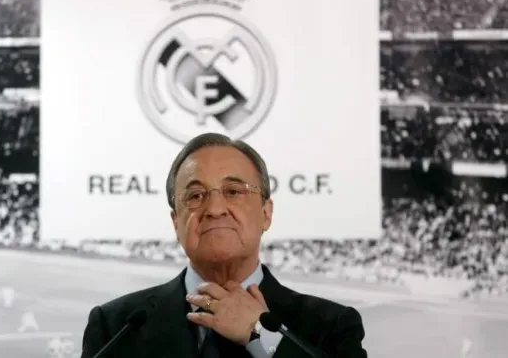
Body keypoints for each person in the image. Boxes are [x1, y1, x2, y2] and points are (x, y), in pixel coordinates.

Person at [80, 133, 367, 358]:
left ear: (266, 213)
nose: (215, 209)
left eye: (233, 191)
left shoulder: (331, 326)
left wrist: (261, 335)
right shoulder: (115, 326)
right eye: (195, 196)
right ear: (175, 222)